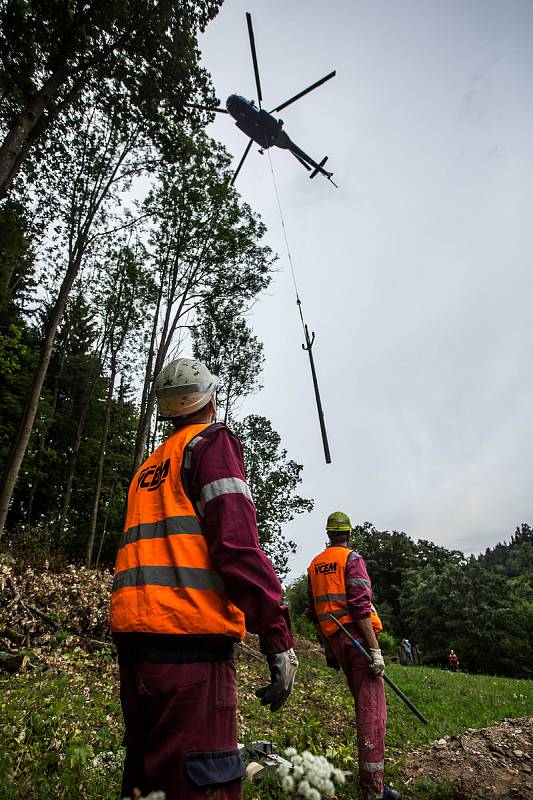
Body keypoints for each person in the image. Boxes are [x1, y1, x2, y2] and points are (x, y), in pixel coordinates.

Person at [109, 358, 298, 800]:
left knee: (145, 777)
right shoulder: (212, 443)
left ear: (167, 410)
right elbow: (235, 544)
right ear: (211, 399)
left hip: (135, 648)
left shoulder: (148, 469)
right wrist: (276, 632)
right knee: (200, 783)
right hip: (191, 652)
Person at [306, 511, 401, 800]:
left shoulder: (314, 565)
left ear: (328, 534)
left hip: (337, 639)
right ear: (348, 534)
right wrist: (374, 649)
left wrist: (328, 648)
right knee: (372, 712)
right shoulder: (352, 559)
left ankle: (369, 781)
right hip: (358, 639)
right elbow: (360, 606)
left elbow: (314, 612)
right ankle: (373, 789)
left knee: (364, 705)